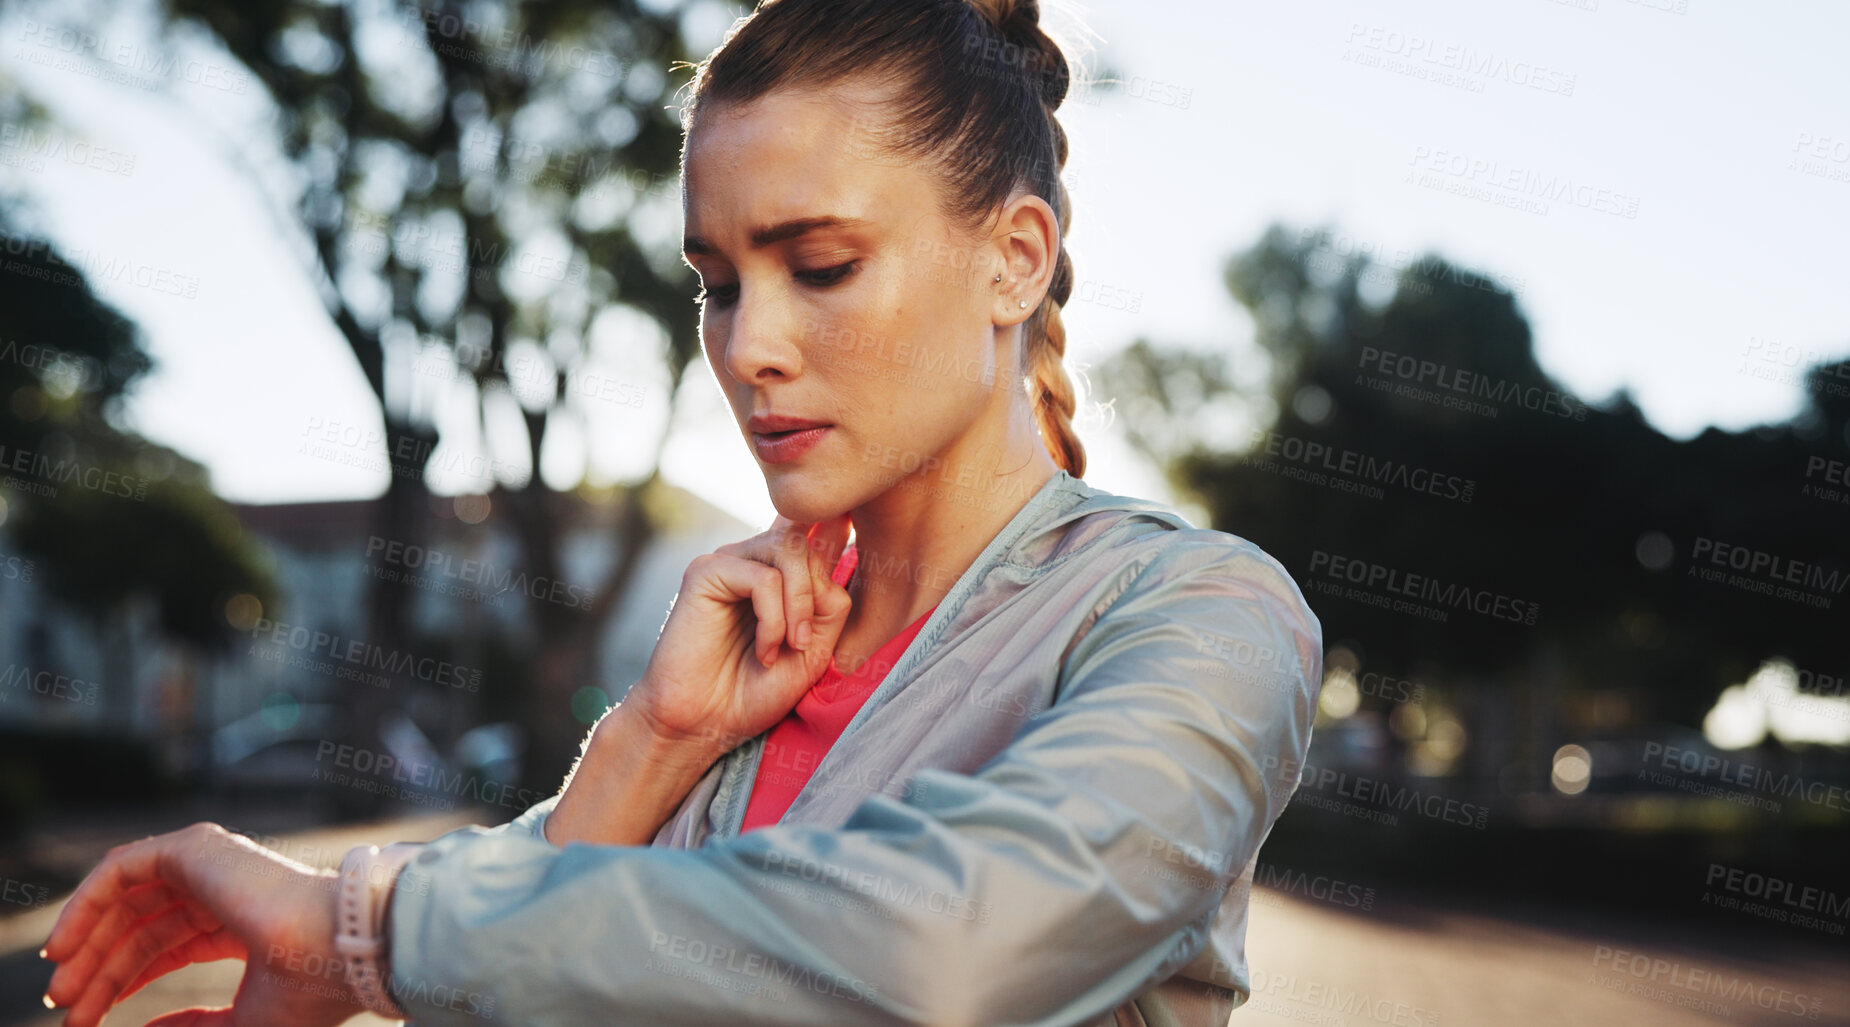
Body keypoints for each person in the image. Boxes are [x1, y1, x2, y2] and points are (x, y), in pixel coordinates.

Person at [40, 1, 1323, 1023]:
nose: (750, 345)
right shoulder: (750, 658)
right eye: (717, 285)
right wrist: (654, 739)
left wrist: (358, 929)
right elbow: (559, 943)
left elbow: (955, 950)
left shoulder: (1202, 613)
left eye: (821, 266)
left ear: (1016, 258)